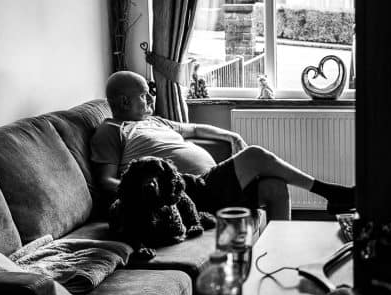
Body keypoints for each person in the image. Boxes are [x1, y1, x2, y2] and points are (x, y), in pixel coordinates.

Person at [90, 71, 355, 220]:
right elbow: (106, 181)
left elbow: (194, 128)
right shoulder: (111, 130)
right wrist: (152, 193)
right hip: (186, 190)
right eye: (143, 95)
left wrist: (231, 136)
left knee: (275, 188)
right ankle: (331, 193)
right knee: (255, 155)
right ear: (124, 102)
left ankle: (274, 256)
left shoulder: (156, 121)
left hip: (212, 184)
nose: (150, 97)